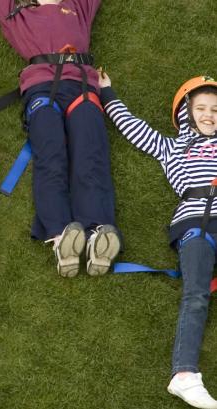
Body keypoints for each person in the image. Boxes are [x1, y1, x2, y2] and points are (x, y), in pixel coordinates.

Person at [101, 72, 217, 409]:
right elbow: (133, 126)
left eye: (215, 109)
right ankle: (184, 375)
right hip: (197, 223)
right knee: (196, 295)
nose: (209, 114)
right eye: (202, 108)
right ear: (186, 113)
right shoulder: (171, 147)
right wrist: (108, 94)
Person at [0, 0, 120, 277]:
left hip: (83, 87)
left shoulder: (78, 6)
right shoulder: (16, 11)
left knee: (90, 154)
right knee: (51, 155)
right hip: (41, 89)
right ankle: (61, 237)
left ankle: (97, 232)